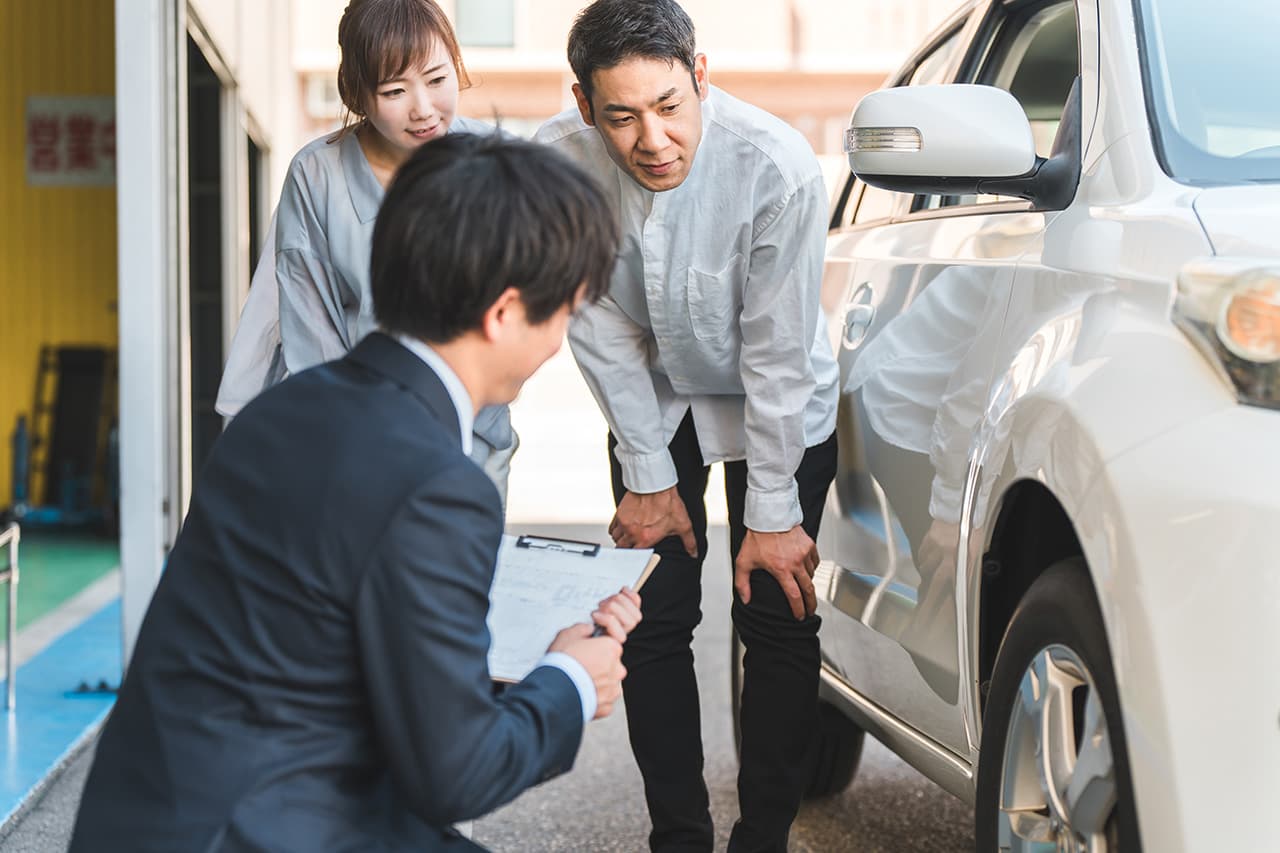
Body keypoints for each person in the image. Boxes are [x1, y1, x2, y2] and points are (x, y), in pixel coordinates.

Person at [69, 132, 636, 852]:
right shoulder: (438, 484)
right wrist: (572, 679)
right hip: (261, 827)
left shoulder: (279, 411)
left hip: (154, 817)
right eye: (562, 313)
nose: (559, 341)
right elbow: (458, 773)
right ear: (503, 314)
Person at [534, 2, 840, 850]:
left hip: (776, 403)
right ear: (584, 104)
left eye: (669, 106)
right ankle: (678, 837)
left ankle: (764, 838)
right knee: (655, 617)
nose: (653, 140)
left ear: (700, 77)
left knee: (776, 613)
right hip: (653, 395)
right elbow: (593, 321)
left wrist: (772, 512)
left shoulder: (776, 167)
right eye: (622, 116)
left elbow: (776, 353)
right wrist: (646, 472)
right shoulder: (556, 166)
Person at [215, 0, 517, 496]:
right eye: (395, 91)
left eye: (437, 79)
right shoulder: (317, 174)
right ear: (356, 93)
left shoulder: (495, 157)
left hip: (475, 436)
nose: (424, 109)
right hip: (356, 438)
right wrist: (359, 437)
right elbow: (309, 328)